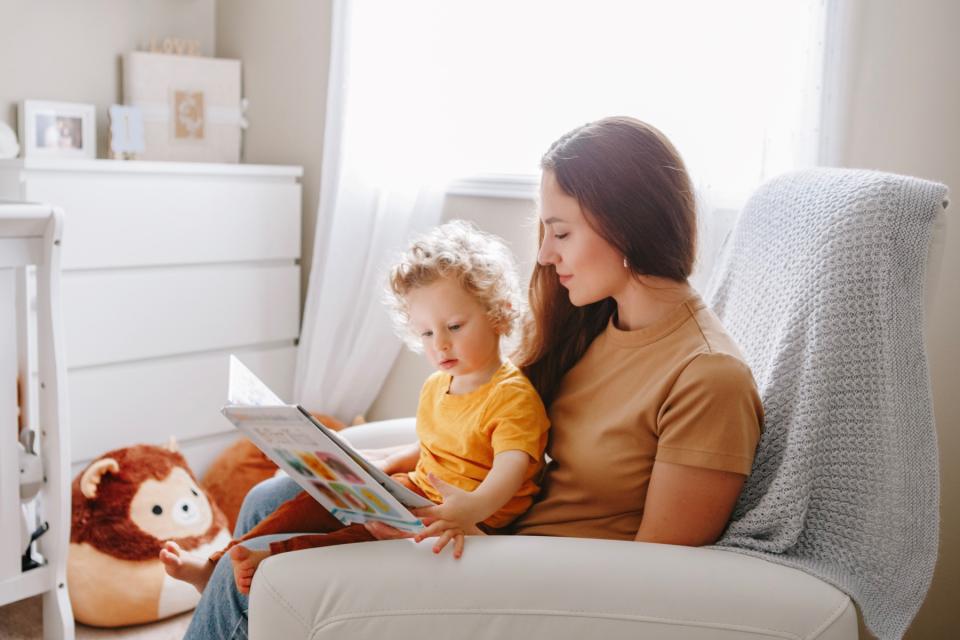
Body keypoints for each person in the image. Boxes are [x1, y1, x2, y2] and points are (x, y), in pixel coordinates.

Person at [184, 116, 764, 639]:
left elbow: (659, 592)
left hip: (526, 576)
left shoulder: (707, 378)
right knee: (272, 495)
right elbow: (491, 426)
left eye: (561, 233)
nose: (542, 253)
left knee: (273, 577)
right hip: (483, 531)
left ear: (628, 226)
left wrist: (470, 539)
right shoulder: (595, 324)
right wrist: (369, 469)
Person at [162, 220, 550, 596]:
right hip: (418, 495)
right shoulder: (438, 385)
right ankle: (216, 565)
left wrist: (469, 509)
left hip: (469, 519)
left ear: (497, 313)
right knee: (313, 500)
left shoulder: (512, 397)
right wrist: (380, 466)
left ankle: (268, 559)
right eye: (427, 333)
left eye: (454, 326)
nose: (440, 345)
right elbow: (434, 445)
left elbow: (510, 470)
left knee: (360, 537)